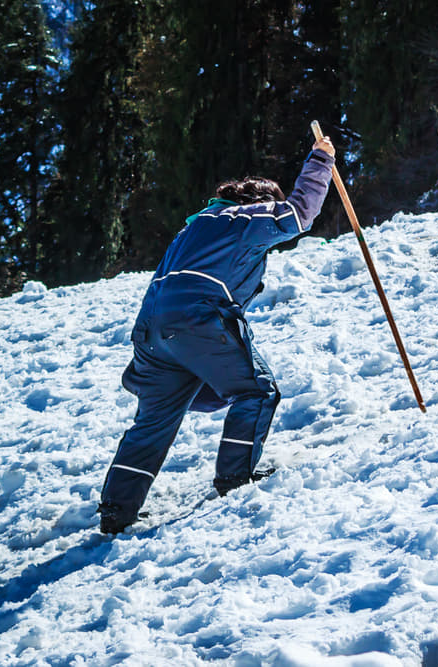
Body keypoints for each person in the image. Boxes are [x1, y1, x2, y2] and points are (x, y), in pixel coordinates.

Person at [98, 136, 335, 534]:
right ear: (260, 202)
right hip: (198, 317)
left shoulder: (191, 230)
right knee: (258, 390)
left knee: (154, 421)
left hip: (154, 328)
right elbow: (299, 213)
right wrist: (321, 160)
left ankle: (116, 511)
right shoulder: (246, 219)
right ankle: (235, 479)